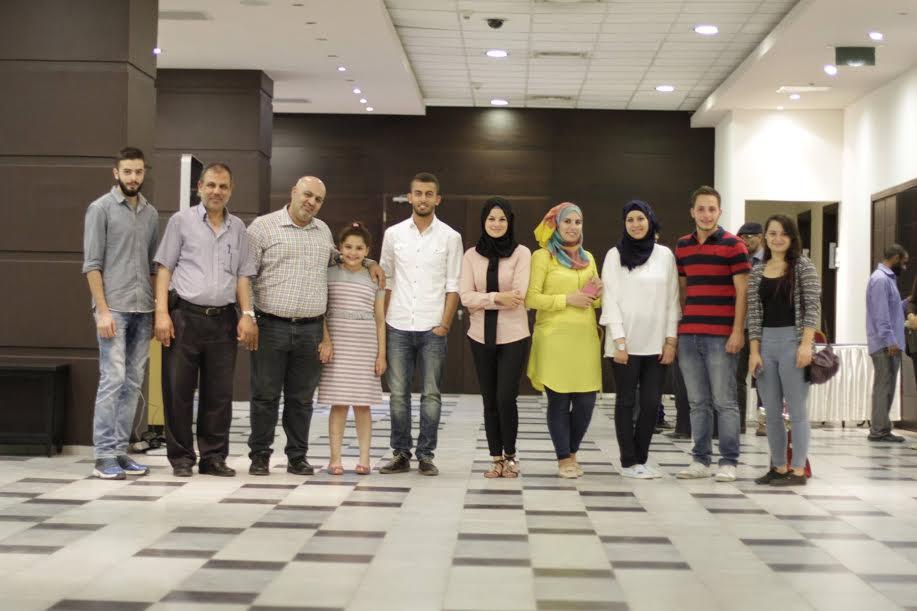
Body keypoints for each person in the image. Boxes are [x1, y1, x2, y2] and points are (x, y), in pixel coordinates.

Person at [244, 176, 384, 477]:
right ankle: (260, 456)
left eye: (318, 199)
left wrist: (371, 262)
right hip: (271, 325)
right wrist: (247, 315)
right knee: (266, 395)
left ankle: (297, 457)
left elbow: (343, 258)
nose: (311, 202)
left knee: (301, 399)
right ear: (294, 192)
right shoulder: (262, 227)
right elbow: (246, 275)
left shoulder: (323, 231)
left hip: (310, 329)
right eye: (307, 195)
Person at [153, 163, 258, 477]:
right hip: (184, 317)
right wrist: (161, 313)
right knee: (178, 392)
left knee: (219, 395)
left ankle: (213, 458)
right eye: (211, 185)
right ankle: (181, 458)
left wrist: (247, 315)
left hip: (223, 320)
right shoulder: (181, 221)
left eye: (223, 186)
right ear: (199, 187)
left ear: (231, 190)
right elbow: (164, 268)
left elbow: (243, 276)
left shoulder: (238, 228)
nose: (217, 191)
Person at [378, 172, 463, 476]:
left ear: (437, 199)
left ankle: (426, 455)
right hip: (398, 325)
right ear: (410, 197)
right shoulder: (393, 234)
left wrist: (445, 324)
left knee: (431, 395)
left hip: (432, 328)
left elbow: (454, 285)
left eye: (429, 194)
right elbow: (385, 281)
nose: (423, 199)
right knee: (398, 396)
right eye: (418, 193)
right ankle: (401, 454)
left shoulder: (451, 237)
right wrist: (381, 325)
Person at [82, 147, 159, 480]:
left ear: (144, 173)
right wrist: (102, 311)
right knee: (112, 380)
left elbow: (152, 267)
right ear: (116, 173)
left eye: (138, 171)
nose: (133, 177)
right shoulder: (100, 209)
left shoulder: (151, 213)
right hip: (113, 309)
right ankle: (103, 456)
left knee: (132, 382)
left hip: (143, 309)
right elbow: (92, 265)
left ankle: (119, 451)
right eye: (127, 171)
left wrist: (156, 310)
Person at [674, 186, 750, 482]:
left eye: (712, 209)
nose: (706, 215)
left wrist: (737, 332)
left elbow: (743, 292)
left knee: (725, 401)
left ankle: (728, 461)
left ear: (720, 212)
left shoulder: (734, 245)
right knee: (697, 402)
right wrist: (680, 328)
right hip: (689, 335)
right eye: (701, 209)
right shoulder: (683, 246)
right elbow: (682, 290)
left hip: (721, 336)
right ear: (692, 212)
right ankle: (700, 460)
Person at [600, 200, 679, 479]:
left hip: (657, 344)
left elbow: (672, 300)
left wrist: (671, 340)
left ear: (650, 221)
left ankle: (641, 459)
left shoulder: (665, 255)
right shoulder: (614, 255)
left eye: (640, 219)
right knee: (625, 402)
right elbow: (609, 299)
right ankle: (628, 461)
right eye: (630, 220)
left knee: (650, 404)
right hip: (624, 344)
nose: (635, 224)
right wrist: (619, 342)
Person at [526, 202, 602, 479]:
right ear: (556, 225)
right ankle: (564, 458)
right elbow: (531, 298)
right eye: (567, 221)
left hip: (585, 339)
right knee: (559, 401)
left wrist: (597, 293)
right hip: (554, 339)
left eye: (577, 222)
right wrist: (568, 299)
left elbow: (594, 303)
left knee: (586, 403)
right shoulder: (543, 256)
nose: (572, 227)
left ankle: (572, 451)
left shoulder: (588, 257)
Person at [459, 197, 532, 478]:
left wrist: (484, 299)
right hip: (480, 336)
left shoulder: (521, 253)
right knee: (489, 400)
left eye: (502, 219)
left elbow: (518, 296)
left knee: (505, 398)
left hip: (514, 336)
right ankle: (495, 458)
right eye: (491, 218)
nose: (497, 224)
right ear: (484, 221)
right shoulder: (471, 255)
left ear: (510, 222)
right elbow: (465, 296)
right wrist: (497, 297)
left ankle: (510, 456)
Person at [747, 215, 821, 486]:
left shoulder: (803, 266)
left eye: (783, 233)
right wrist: (754, 352)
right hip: (765, 345)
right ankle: (778, 467)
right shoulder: (757, 271)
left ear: (792, 237)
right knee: (771, 412)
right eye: (772, 233)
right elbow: (754, 315)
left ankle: (798, 470)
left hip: (794, 343)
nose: (777, 238)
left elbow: (812, 307)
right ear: (765, 237)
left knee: (797, 411)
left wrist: (806, 345)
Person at [318, 222, 386, 475]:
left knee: (362, 404)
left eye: (359, 248)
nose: (353, 252)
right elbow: (321, 312)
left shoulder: (375, 277)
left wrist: (381, 354)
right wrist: (326, 339)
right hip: (337, 345)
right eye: (348, 247)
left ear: (367, 250)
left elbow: (380, 319)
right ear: (339, 248)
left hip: (365, 345)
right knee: (338, 404)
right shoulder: (328, 274)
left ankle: (364, 459)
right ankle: (335, 459)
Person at [866, 244, 909, 442]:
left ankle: (882, 429)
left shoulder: (886, 279)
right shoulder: (880, 280)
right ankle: (879, 431)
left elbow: (891, 309)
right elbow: (881, 315)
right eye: (903, 263)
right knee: (883, 387)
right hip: (885, 345)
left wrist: (907, 302)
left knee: (887, 386)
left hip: (888, 343)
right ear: (896, 258)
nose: (904, 267)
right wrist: (890, 341)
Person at [736, 222, 766, 436]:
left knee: (764, 378)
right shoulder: (738, 261)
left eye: (749, 237)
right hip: (740, 327)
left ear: (761, 237)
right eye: (741, 237)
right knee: (737, 378)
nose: (745, 241)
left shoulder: (769, 262)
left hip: (762, 329)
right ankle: (738, 423)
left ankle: (764, 423)